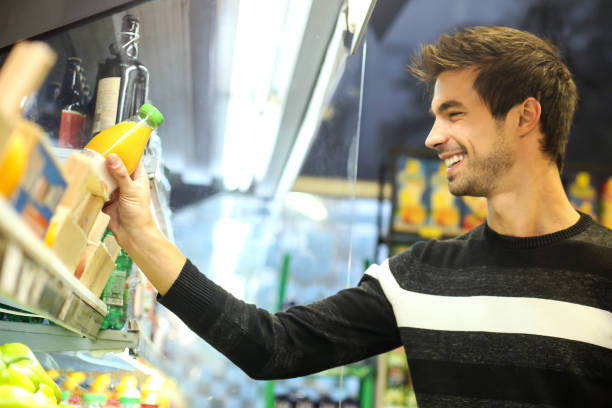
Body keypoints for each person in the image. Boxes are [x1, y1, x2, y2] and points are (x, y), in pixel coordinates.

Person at [103, 26, 612, 407]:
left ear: (525, 117)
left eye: (454, 114)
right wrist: (140, 232)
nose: (433, 137)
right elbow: (271, 347)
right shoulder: (418, 279)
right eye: (435, 116)